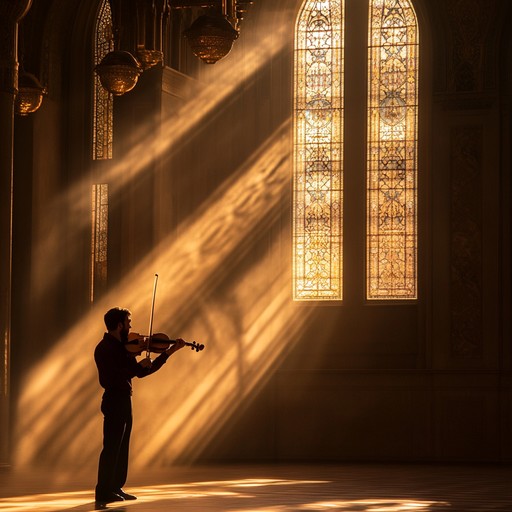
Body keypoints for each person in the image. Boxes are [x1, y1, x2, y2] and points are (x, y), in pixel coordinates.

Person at [94, 307, 185, 506]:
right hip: (113, 400)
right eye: (128, 322)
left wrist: (168, 353)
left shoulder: (125, 347)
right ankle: (103, 491)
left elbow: (142, 372)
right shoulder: (104, 349)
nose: (131, 326)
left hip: (125, 399)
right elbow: (109, 379)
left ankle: (116, 487)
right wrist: (136, 367)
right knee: (111, 446)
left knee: (122, 445)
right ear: (119, 325)